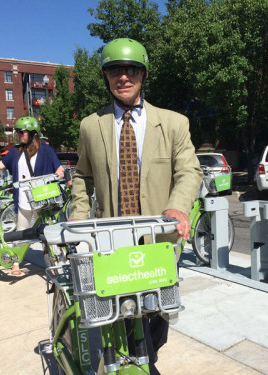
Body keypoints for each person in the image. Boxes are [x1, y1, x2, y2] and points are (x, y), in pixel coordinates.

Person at [70, 38, 203, 374]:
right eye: (115, 70)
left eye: (131, 70)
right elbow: (83, 177)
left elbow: (189, 170)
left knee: (155, 319)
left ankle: (149, 360)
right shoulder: (91, 125)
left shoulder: (173, 123)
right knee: (115, 319)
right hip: (109, 243)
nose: (124, 77)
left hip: (157, 243)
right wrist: (77, 223)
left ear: (143, 75)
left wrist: (177, 207)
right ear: (106, 76)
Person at [0, 116, 64, 275]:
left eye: (22, 132)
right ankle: (16, 262)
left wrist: (58, 176)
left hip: (42, 197)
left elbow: (59, 168)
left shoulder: (45, 149)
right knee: (22, 230)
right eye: (18, 132)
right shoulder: (16, 151)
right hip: (23, 198)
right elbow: (0, 166)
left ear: (33, 133)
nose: (19, 135)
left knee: (48, 230)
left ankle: (53, 264)